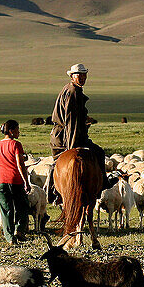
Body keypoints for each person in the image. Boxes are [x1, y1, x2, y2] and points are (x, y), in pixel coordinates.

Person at [46, 63, 108, 202]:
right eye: (79, 75)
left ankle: (51, 190)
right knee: (99, 152)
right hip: (68, 136)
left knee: (57, 162)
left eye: (84, 74)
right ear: (72, 76)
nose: (82, 77)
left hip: (60, 135)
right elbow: (71, 122)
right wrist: (71, 145)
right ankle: (104, 183)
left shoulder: (69, 89)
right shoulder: (73, 93)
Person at [0, 120, 30, 244]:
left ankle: (10, 238)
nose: (19, 132)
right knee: (23, 206)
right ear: (11, 131)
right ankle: (20, 231)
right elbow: (20, 164)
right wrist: (26, 181)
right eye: (17, 129)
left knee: (6, 210)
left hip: (1, 181)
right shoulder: (16, 144)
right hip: (15, 180)